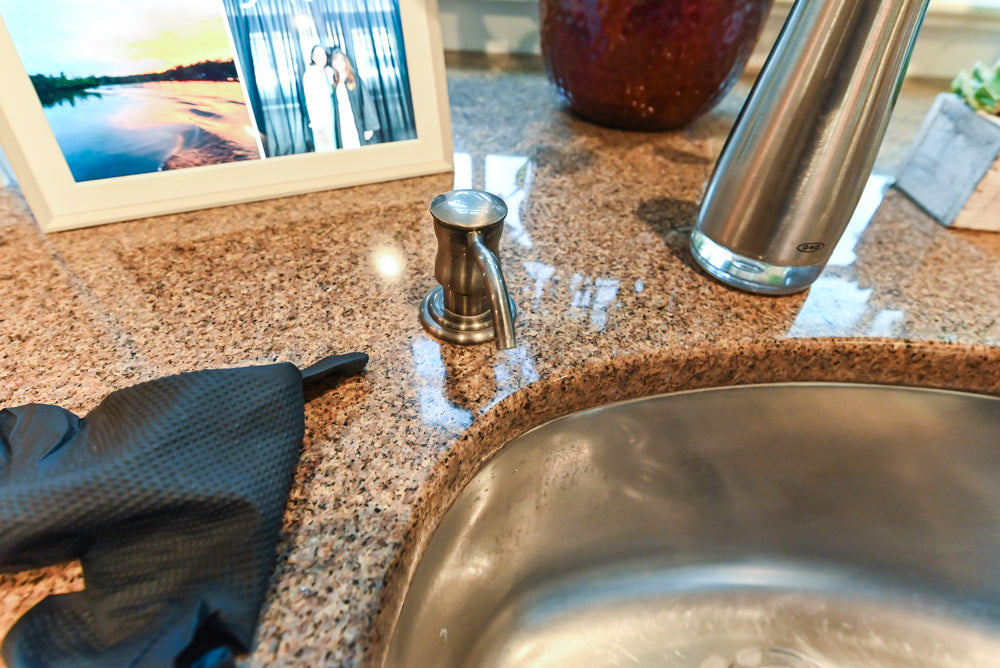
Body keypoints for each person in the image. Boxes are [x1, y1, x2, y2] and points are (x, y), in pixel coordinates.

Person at [329, 49, 380, 149]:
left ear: (346, 62)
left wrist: (369, 127)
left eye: (341, 60)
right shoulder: (335, 83)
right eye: (335, 60)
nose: (338, 63)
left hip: (356, 122)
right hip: (343, 123)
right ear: (332, 64)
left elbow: (366, 101)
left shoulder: (354, 78)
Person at [302, 45, 336, 152]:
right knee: (326, 153)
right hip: (321, 123)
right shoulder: (310, 74)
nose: (321, 57)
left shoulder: (328, 72)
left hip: (332, 118)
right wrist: (318, 129)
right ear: (312, 57)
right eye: (317, 54)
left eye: (323, 54)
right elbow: (310, 102)